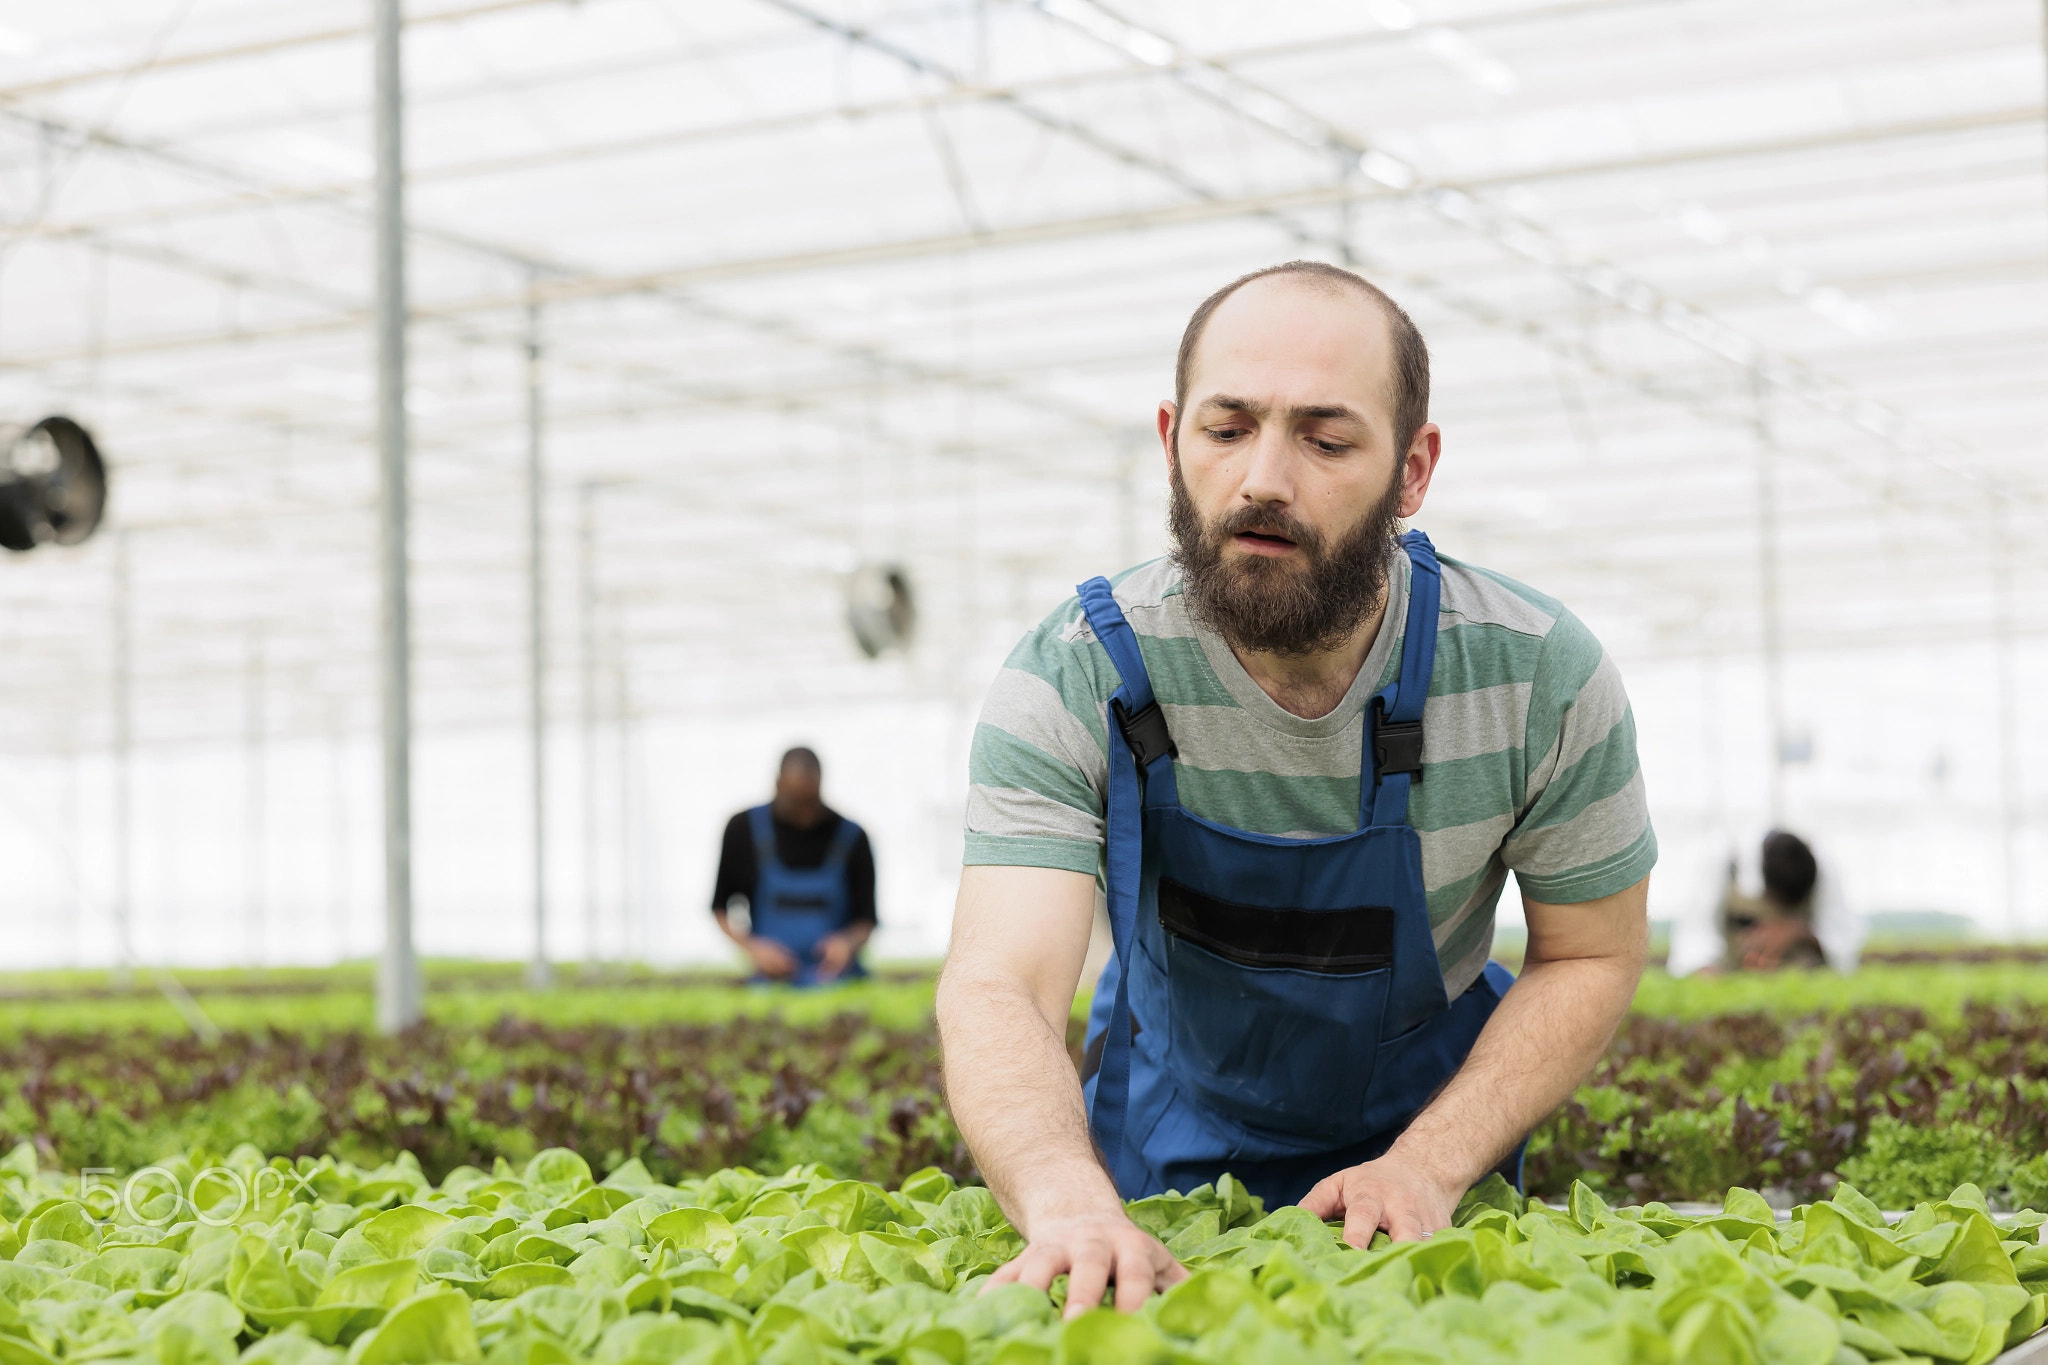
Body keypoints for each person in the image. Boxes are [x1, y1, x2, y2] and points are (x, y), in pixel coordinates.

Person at [936, 260, 1657, 1315]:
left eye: (1324, 440)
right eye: (1226, 430)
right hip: (1156, 1160)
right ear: (1169, 439)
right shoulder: (1075, 670)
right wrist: (1061, 1198)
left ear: (1412, 471)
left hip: (1425, 1169)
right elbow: (999, 981)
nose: (1263, 478)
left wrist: (1428, 1165)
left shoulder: (1533, 674)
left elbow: (1589, 951)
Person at [711, 747, 876, 985]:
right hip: (769, 979)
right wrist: (755, 949)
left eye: (810, 802)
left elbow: (866, 920)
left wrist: (846, 943)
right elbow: (720, 909)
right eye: (795, 802)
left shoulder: (852, 838)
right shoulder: (742, 830)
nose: (804, 814)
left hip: (834, 978)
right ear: (778, 785)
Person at [1669, 829, 1861, 975]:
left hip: (1799, 979)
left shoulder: (1822, 866)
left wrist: (1799, 931)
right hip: (1735, 976)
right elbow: (1695, 935)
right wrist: (1708, 970)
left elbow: (1843, 941)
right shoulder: (1725, 862)